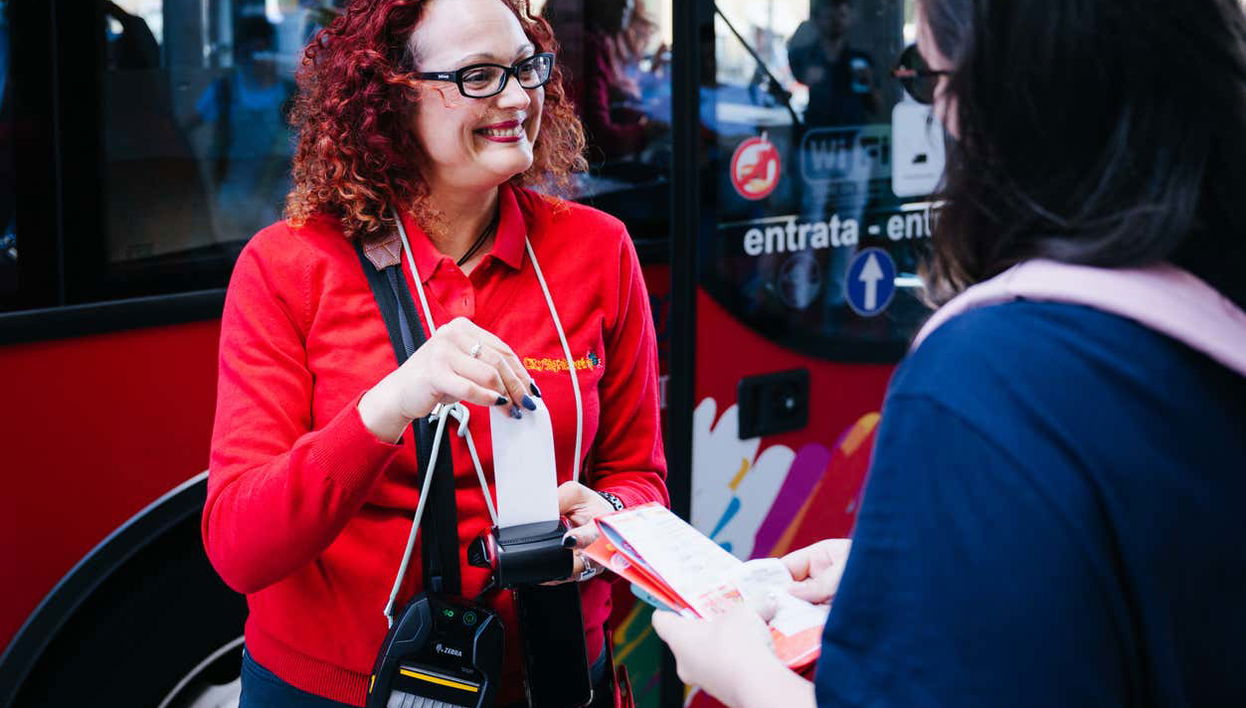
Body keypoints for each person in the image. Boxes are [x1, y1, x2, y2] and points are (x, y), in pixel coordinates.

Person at [653, 0, 1246, 706]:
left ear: (1001, 97)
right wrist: (922, 568)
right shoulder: (1200, 311)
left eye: (926, 82)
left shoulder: (989, 379)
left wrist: (738, 670)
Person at [203, 0, 668, 706]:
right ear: (389, 96)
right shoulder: (288, 267)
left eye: (525, 66)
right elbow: (239, 547)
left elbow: (640, 478)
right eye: (478, 75)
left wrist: (603, 518)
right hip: (337, 689)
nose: (516, 96)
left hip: (553, 678)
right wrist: (387, 406)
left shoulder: (599, 250)